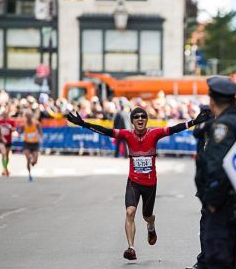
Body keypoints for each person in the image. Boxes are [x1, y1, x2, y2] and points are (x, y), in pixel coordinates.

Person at [65, 105, 211, 261]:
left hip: (150, 184)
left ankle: (151, 226)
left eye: (143, 116)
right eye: (136, 117)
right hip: (133, 182)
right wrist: (84, 124)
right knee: (129, 212)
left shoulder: (154, 134)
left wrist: (194, 122)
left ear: (146, 120)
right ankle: (131, 248)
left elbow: (174, 129)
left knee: (147, 216)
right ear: (132, 121)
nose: (140, 119)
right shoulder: (127, 135)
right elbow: (105, 131)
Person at [203, 76, 236, 269]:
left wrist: (211, 202)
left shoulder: (223, 126)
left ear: (212, 100)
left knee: (219, 260)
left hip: (224, 207)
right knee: (235, 260)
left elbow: (218, 168)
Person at [188, 105, 214, 269]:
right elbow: (196, 133)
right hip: (207, 182)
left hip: (219, 185)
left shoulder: (225, 125)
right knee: (206, 223)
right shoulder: (205, 124)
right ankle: (203, 260)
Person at [19, 111, 42, 182]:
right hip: (27, 143)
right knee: (28, 159)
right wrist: (18, 132)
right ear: (26, 117)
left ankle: (33, 161)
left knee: (34, 161)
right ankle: (29, 174)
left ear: (31, 117)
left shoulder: (36, 123)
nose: (28, 118)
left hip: (35, 143)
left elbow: (40, 132)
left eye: (30, 116)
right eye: (27, 117)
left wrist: (40, 138)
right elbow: (20, 132)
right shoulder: (23, 125)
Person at [0, 111, 15, 176]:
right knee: (3, 154)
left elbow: (14, 129)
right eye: (3, 115)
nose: (4, 117)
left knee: (7, 155)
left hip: (8, 141)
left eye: (6, 115)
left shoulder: (11, 122)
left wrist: (9, 127)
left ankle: (6, 168)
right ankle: (4, 169)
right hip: (1, 141)